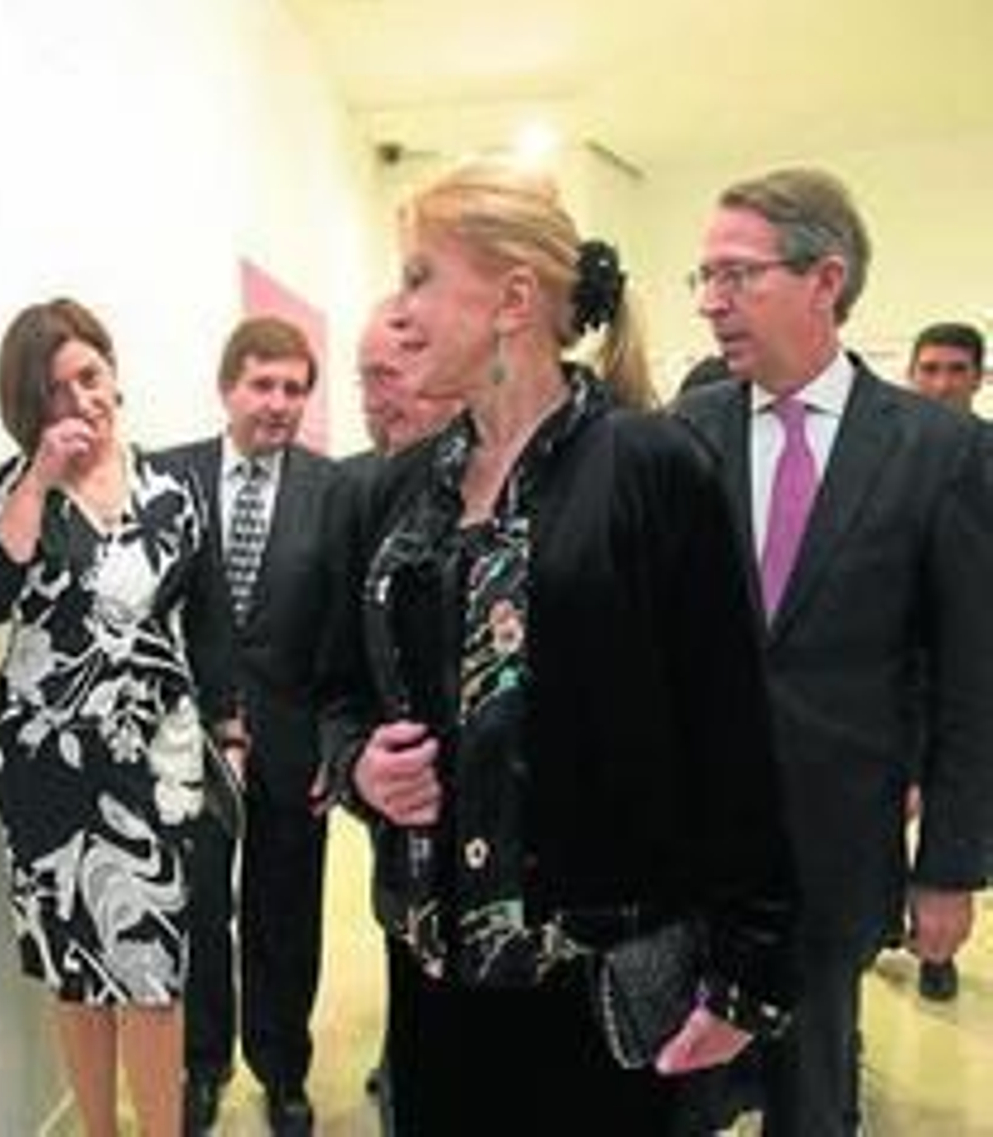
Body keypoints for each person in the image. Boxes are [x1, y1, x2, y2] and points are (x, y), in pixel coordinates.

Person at [318, 159, 799, 1134]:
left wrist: (748, 971)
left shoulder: (652, 469)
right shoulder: (393, 491)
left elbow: (731, 730)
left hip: (594, 992)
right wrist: (359, 765)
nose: (397, 311)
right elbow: (335, 696)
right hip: (430, 980)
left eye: (419, 277)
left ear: (513, 298)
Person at [676, 169, 993, 1135]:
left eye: (737, 274)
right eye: (704, 276)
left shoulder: (939, 452)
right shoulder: (682, 436)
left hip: (840, 848)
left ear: (825, 279)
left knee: (814, 1096)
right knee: (679, 1086)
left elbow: (974, 678)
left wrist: (948, 865)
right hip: (692, 848)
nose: (711, 301)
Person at [0, 298, 239, 1137]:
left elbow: (212, 625)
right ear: (29, 408)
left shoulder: (173, 492)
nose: (81, 400)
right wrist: (38, 479)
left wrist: (230, 730)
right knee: (75, 968)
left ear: (113, 371)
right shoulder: (9, 489)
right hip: (45, 764)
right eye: (54, 391)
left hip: (152, 764)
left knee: (153, 972)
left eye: (90, 375)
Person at [158, 316, 341, 1136]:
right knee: (198, 908)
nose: (278, 403)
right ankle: (201, 1066)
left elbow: (346, 632)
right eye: (262, 384)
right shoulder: (164, 479)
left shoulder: (333, 491)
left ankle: (283, 1069)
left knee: (286, 914)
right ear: (228, 385)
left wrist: (338, 742)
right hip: (183, 743)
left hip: (293, 745)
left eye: (294, 388)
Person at [340, 297, 465, 1133]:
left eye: (390, 374)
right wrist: (354, 764)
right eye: (365, 377)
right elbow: (332, 679)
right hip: (410, 852)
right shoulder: (362, 491)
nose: (374, 396)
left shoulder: (580, 475)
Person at [901, 320, 987, 1004]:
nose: (941, 382)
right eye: (929, 368)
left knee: (950, 796)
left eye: (957, 370)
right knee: (885, 802)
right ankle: (879, 923)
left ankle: (937, 946)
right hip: (892, 669)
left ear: (979, 379)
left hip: (964, 664)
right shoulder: (886, 454)